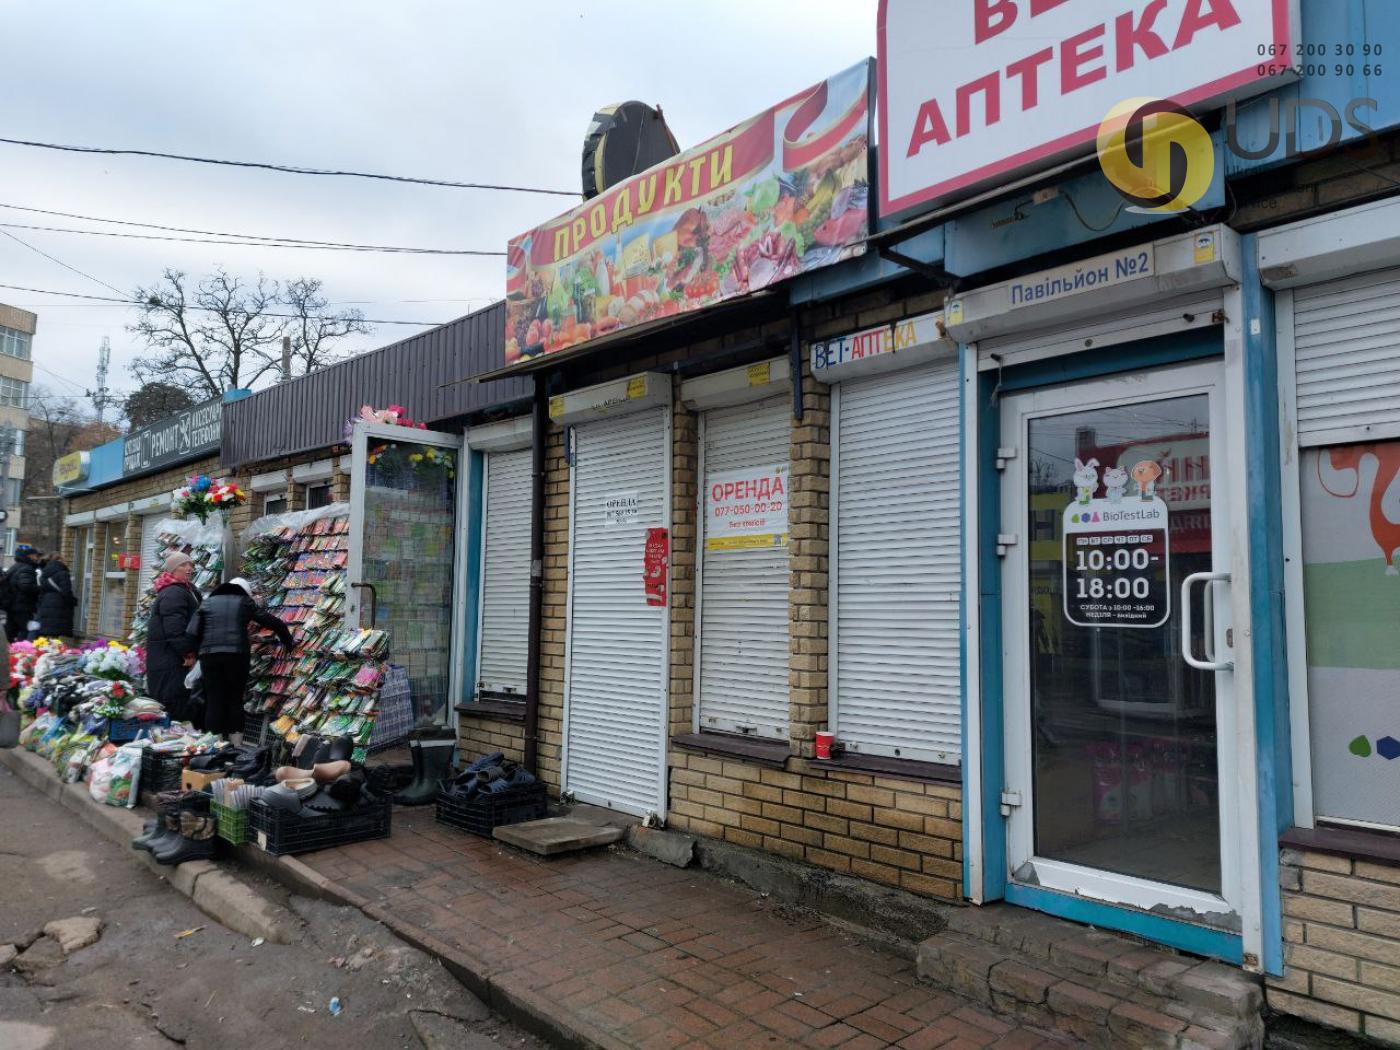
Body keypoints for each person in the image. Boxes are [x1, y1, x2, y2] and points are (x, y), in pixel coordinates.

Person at [186, 577, 293, 743]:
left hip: (210, 657)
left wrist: (201, 650)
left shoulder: (207, 603)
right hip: (237, 656)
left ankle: (216, 746)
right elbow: (273, 622)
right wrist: (288, 642)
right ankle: (236, 747)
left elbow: (192, 631)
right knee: (235, 699)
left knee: (214, 700)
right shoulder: (244, 601)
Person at [145, 553, 203, 725]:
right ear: (172, 569)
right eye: (183, 565)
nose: (189, 568)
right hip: (171, 662)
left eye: (190, 565)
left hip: (171, 660)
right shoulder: (173, 593)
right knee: (175, 707)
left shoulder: (186, 589)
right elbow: (175, 630)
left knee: (179, 705)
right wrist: (188, 653)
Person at [1, 545, 42, 643]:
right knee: (25, 631)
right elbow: (26, 586)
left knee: (11, 632)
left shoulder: (15, 567)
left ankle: (10, 649)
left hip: (12, 605)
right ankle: (22, 650)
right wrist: (41, 588)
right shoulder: (26, 568)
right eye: (35, 555)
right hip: (22, 606)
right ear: (28, 556)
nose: (37, 558)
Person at [35, 554, 78, 642]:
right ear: (59, 561)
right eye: (64, 560)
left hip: (46, 605)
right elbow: (66, 592)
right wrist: (73, 601)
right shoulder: (63, 573)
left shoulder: (44, 573)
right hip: (59, 606)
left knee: (49, 635)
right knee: (56, 635)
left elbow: (41, 591)